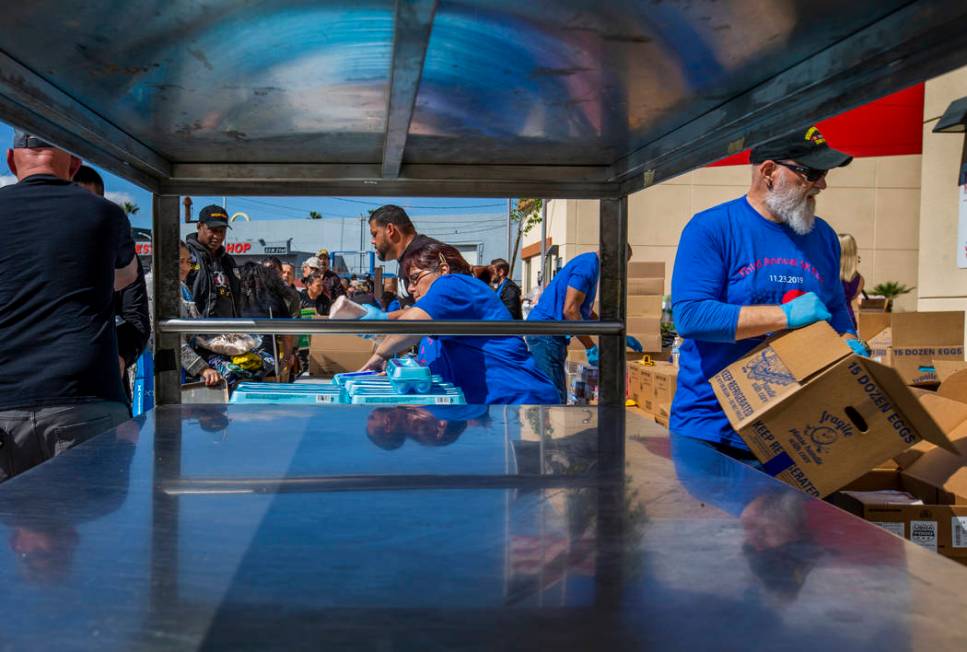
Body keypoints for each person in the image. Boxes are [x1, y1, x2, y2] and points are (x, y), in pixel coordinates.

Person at [669, 125, 864, 458]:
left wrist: (848, 342)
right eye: (811, 173)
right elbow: (690, 316)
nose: (822, 184)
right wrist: (784, 316)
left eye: (824, 173)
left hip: (794, 430)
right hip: (714, 429)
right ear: (770, 172)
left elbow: (837, 313)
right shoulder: (712, 228)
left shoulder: (824, 238)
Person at [0, 130, 137, 482]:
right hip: (85, 397)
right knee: (99, 528)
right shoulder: (106, 215)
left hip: (4, 403)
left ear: (11, 160)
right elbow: (125, 278)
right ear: (74, 165)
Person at [359, 243, 558, 405]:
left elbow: (409, 325)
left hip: (521, 403)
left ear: (443, 270)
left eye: (415, 278)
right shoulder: (437, 324)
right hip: (496, 410)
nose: (411, 288)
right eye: (407, 283)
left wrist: (380, 354)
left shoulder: (453, 283)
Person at [74, 165, 151, 396]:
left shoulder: (122, 258)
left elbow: (137, 320)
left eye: (88, 201)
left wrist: (120, 357)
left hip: (103, 383)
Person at [525, 251, 603, 403]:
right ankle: (546, 426)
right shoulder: (588, 266)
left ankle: (546, 424)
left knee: (555, 392)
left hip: (549, 333)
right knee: (553, 396)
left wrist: (612, 331)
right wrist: (590, 347)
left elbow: (583, 310)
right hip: (546, 332)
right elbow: (570, 310)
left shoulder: (588, 263)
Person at [368, 204, 442, 303]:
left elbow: (435, 307)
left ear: (390, 229)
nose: (372, 241)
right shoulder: (406, 257)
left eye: (374, 234)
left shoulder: (426, 254)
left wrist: (386, 317)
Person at [178, 241, 223, 387]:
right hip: (153, 373)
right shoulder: (152, 286)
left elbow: (195, 329)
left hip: (179, 370)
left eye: (188, 262)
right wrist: (202, 368)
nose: (186, 267)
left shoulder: (182, 288)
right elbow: (168, 339)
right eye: (180, 261)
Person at [185, 205, 240, 317]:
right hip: (198, 330)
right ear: (199, 226)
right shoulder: (187, 256)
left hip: (229, 330)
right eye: (213, 230)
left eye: (222, 231)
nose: (218, 236)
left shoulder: (228, 260)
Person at [838, 233, 864, 330]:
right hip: (849, 322)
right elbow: (851, 298)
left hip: (829, 323)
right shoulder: (860, 280)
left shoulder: (827, 275)